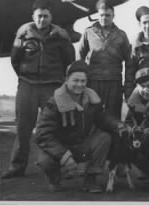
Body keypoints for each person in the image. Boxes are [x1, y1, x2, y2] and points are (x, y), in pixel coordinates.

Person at [2, 0, 75, 179]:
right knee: (23, 128)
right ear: (33, 16)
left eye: (46, 16)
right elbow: (15, 59)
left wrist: (58, 81)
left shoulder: (61, 36)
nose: (42, 20)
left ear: (51, 17)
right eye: (39, 16)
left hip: (51, 87)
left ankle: (57, 167)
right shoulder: (23, 33)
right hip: (28, 85)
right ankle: (17, 167)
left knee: (53, 128)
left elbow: (69, 60)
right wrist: (26, 76)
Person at [35, 60, 128, 192]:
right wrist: (64, 155)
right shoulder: (54, 102)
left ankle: (91, 180)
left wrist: (118, 125)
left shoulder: (91, 98)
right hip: (60, 147)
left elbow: (103, 118)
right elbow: (42, 134)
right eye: (75, 80)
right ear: (66, 79)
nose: (80, 85)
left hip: (81, 145)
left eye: (83, 81)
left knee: (104, 138)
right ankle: (54, 179)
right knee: (46, 160)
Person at [78, 0, 133, 120]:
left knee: (112, 116)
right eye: (101, 15)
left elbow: (129, 62)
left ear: (113, 16)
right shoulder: (88, 32)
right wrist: (81, 81)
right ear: (97, 15)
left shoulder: (121, 35)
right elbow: (79, 57)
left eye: (108, 15)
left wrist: (128, 84)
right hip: (93, 81)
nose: (104, 18)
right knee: (91, 115)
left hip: (114, 82)